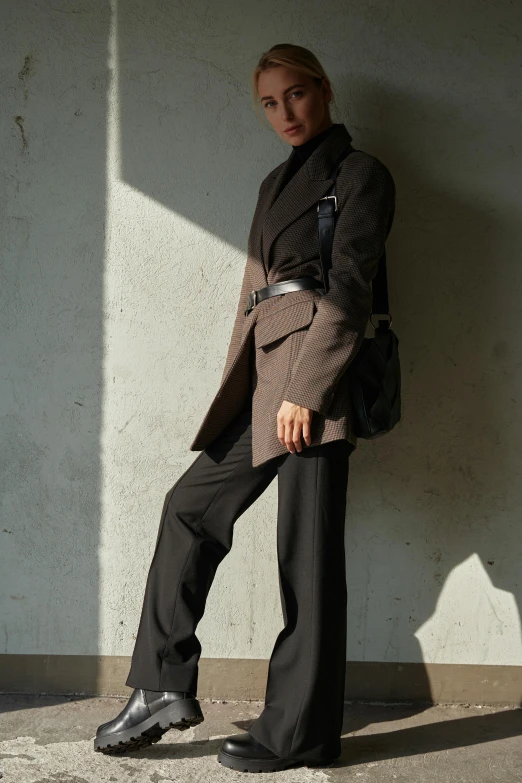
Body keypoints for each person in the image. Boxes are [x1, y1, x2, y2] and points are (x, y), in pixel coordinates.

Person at [94, 43, 396, 773]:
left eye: (295, 94)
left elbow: (350, 290)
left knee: (307, 559)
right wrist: (258, 386)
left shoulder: (360, 175)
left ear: (323, 90)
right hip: (266, 381)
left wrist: (307, 390)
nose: (284, 112)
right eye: (269, 102)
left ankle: (299, 732)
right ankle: (162, 684)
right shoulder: (272, 184)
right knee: (187, 508)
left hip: (313, 385)